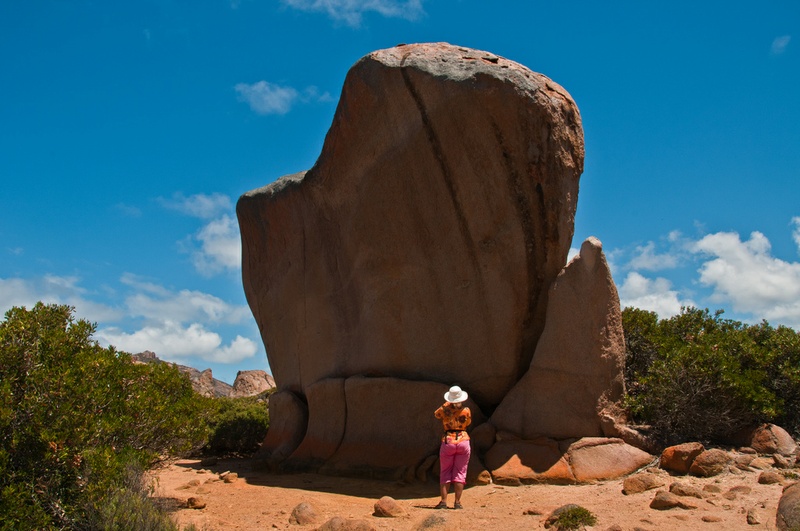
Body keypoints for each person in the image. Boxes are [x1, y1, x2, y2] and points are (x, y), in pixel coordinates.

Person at [434, 385, 472, 509]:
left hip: (448, 440)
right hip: (463, 440)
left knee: (445, 471)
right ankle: (457, 503)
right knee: (460, 472)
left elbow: (436, 414)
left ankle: (443, 502)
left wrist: (446, 405)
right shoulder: (466, 410)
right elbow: (468, 422)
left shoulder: (445, 410)